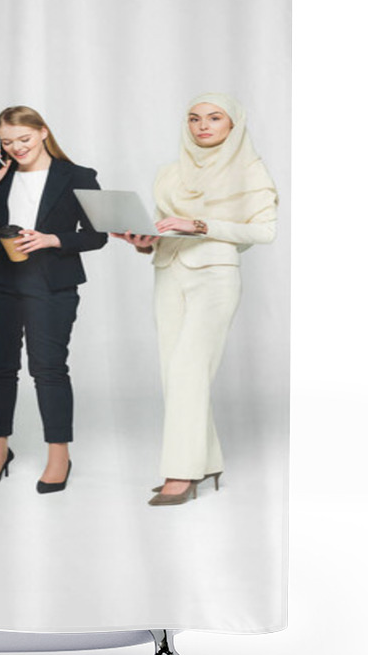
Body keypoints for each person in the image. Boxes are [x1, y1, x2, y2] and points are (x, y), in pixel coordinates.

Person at [114, 93, 278, 506]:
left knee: (188, 369)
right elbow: (162, 229)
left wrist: (200, 223)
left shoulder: (250, 171)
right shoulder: (170, 173)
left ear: (233, 124)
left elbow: (264, 231)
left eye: (214, 118)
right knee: (175, 374)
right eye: (193, 118)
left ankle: (180, 473)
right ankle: (207, 461)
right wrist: (141, 241)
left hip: (214, 277)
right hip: (168, 272)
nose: (202, 126)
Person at [0, 105, 107, 493]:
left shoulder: (78, 176)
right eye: (7, 142)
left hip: (51, 281)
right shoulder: (0, 174)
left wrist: (52, 239)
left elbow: (97, 235)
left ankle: (58, 455)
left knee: (49, 368)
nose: (16, 148)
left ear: (44, 132)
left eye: (24, 139)